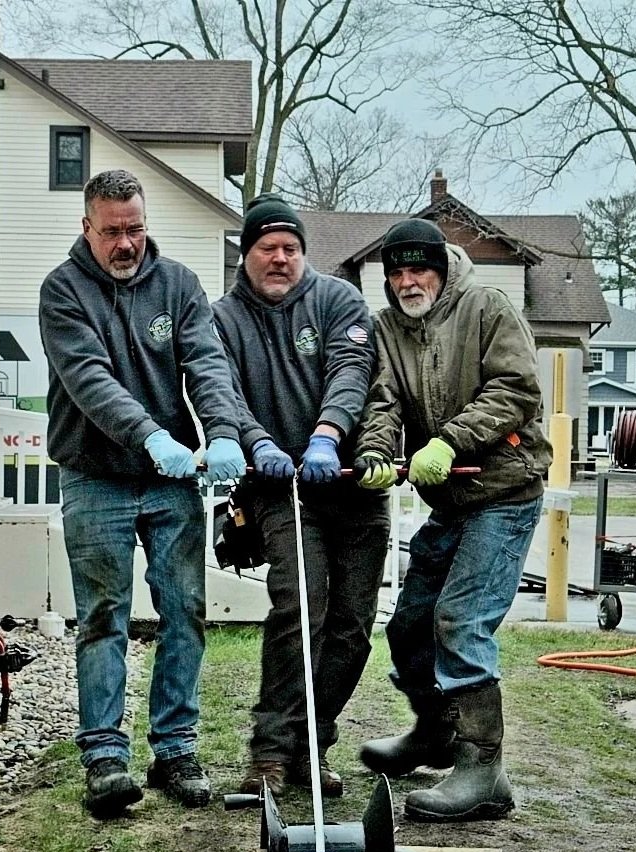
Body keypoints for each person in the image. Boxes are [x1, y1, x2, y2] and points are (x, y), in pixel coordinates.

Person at [39, 169, 247, 819]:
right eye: (112, 232)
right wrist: (153, 435)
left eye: (135, 229)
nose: (125, 243)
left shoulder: (180, 285)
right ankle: (105, 757)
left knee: (184, 609)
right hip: (95, 476)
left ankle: (175, 750)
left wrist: (221, 431)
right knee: (103, 616)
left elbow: (207, 364)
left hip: (170, 483)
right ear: (86, 227)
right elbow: (90, 380)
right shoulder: (63, 292)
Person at [353, 219, 552, 822]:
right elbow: (383, 401)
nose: (409, 281)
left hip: (504, 491)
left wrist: (448, 442)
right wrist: (376, 453)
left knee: (461, 620)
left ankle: (484, 770)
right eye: (398, 272)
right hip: (452, 504)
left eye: (420, 269)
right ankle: (434, 733)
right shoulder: (387, 327)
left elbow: (516, 387)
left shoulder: (487, 307)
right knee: (411, 624)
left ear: (441, 269)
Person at [213, 194, 391, 799]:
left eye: (291, 248)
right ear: (247, 254)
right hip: (277, 489)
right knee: (301, 605)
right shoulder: (222, 320)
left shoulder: (339, 300)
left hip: (349, 484)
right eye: (269, 248)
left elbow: (352, 369)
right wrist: (258, 442)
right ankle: (269, 752)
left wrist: (327, 435)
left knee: (352, 627)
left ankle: (311, 745)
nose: (281, 258)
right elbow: (223, 393)